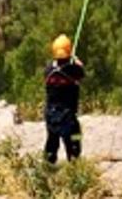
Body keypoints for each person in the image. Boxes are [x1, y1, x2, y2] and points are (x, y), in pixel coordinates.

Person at [43, 34, 85, 164]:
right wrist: (76, 61)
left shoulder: (48, 69)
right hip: (67, 114)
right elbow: (81, 73)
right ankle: (74, 162)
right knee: (74, 137)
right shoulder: (72, 69)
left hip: (50, 113)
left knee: (52, 139)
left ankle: (48, 164)